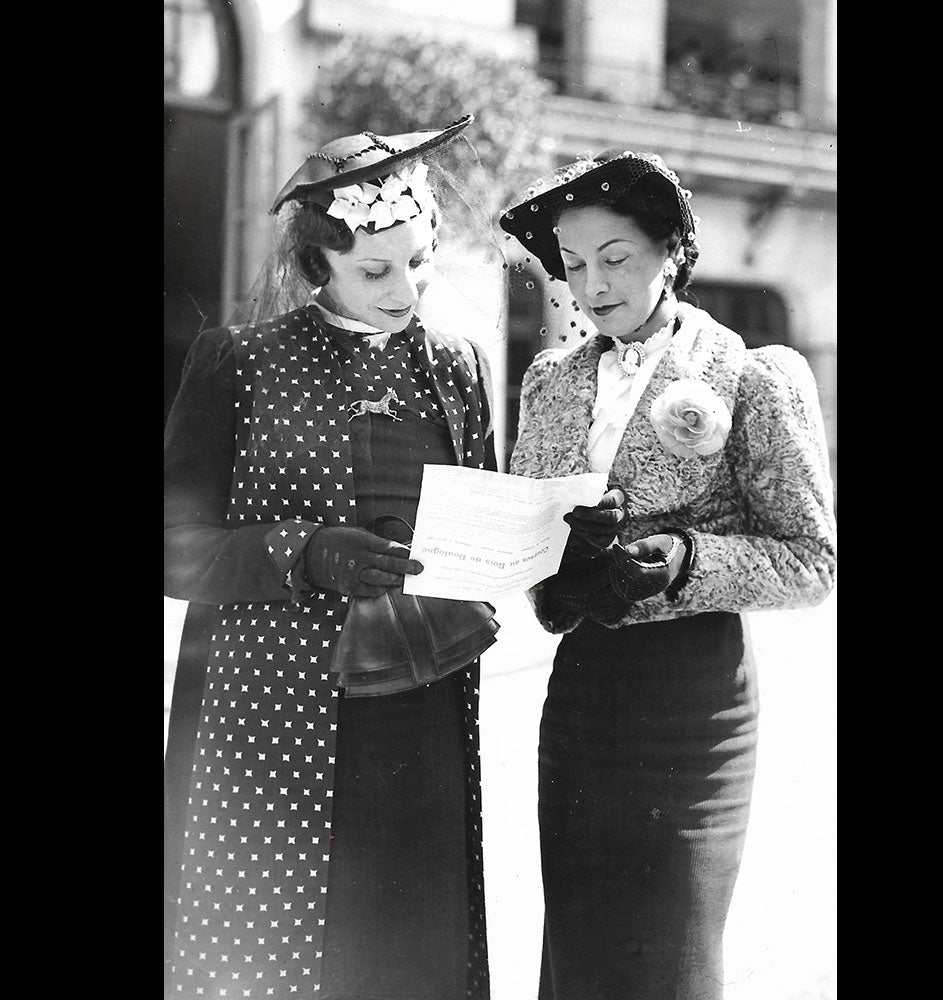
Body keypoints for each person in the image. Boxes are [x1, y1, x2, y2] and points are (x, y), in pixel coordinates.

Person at [163, 115, 498, 1000]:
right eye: (375, 271)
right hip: (274, 722)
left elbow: (484, 524)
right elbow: (172, 550)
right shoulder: (239, 361)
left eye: (421, 261)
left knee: (406, 958)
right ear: (319, 265)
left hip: (419, 714)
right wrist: (303, 552)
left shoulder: (456, 366)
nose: (406, 289)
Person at [499, 149, 837, 1000]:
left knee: (671, 957)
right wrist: (565, 573)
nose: (592, 286)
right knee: (580, 952)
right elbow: (536, 558)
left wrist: (688, 562)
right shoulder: (551, 382)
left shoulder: (754, 376)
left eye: (615, 258)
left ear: (670, 253)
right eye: (573, 266)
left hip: (694, 709)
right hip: (582, 700)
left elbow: (812, 560)